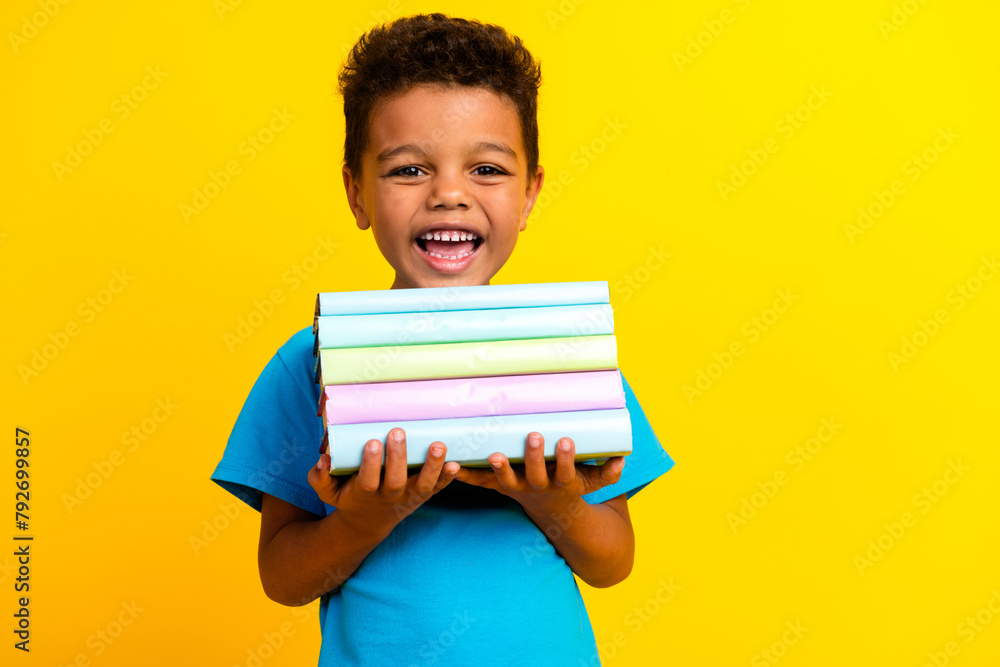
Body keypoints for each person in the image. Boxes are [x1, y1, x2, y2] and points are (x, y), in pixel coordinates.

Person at [211, 13, 674, 666]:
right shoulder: (312, 364)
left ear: (530, 193)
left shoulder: (564, 358)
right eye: (407, 171)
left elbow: (612, 561)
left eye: (486, 169)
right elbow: (282, 578)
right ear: (356, 191)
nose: (449, 194)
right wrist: (365, 519)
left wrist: (546, 495)